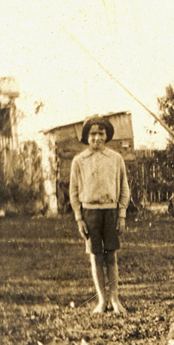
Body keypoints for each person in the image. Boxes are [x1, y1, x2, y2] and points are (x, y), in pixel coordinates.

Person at [69, 115, 130, 314]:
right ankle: (102, 301)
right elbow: (74, 191)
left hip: (110, 211)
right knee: (95, 256)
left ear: (106, 136)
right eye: (93, 134)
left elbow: (123, 188)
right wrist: (79, 218)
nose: (97, 138)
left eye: (101, 134)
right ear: (87, 137)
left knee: (111, 255)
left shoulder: (116, 159)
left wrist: (121, 214)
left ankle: (115, 299)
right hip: (90, 213)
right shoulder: (79, 161)